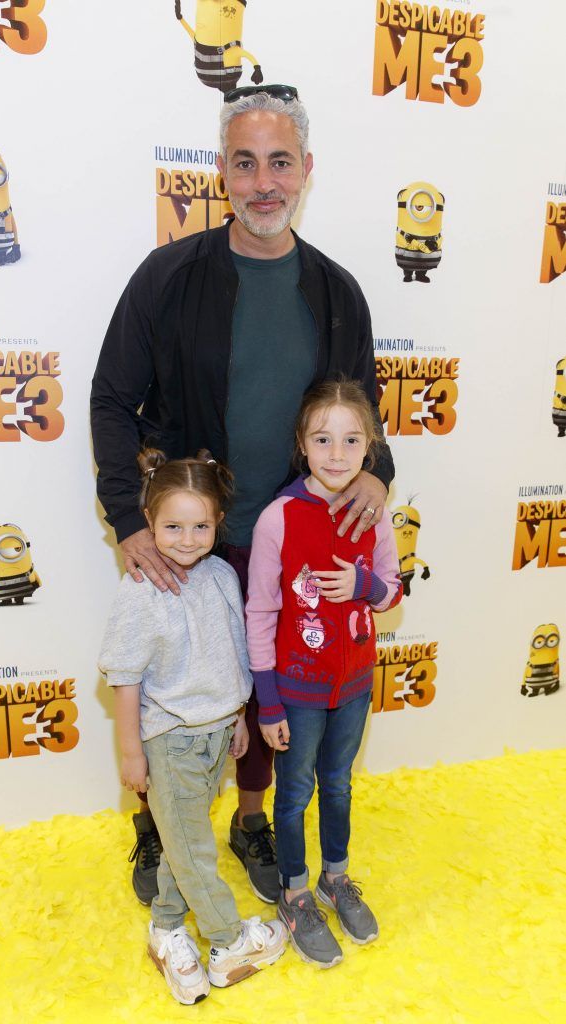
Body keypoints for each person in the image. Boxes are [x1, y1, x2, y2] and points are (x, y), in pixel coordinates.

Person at [90, 85, 395, 905]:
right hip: (192, 538)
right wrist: (128, 519)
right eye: (246, 162)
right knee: (175, 698)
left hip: (297, 541)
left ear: (305, 171)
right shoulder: (168, 276)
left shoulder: (336, 290)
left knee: (273, 693)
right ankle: (159, 829)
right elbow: (112, 400)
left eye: (280, 162)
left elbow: (363, 412)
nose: (264, 181)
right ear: (221, 171)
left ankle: (251, 819)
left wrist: (376, 470)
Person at [98, 449, 286, 1004]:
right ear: (148, 525)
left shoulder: (223, 575)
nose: (186, 538)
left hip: (216, 735)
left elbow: (230, 655)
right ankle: (229, 943)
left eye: (200, 525)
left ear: (218, 523)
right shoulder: (140, 591)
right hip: (169, 743)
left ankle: (165, 930)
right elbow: (125, 679)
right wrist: (132, 754)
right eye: (172, 526)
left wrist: (237, 718)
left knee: (182, 844)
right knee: (195, 848)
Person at [246, 380, 403, 968]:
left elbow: (391, 592)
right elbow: (260, 610)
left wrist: (364, 585)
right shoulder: (277, 519)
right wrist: (268, 701)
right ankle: (295, 892)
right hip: (297, 691)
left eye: (351, 439)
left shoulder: (374, 511)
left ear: (370, 448)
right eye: (322, 438)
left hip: (356, 684)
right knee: (295, 795)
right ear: (302, 444)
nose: (337, 453)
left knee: (338, 783)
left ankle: (336, 877)